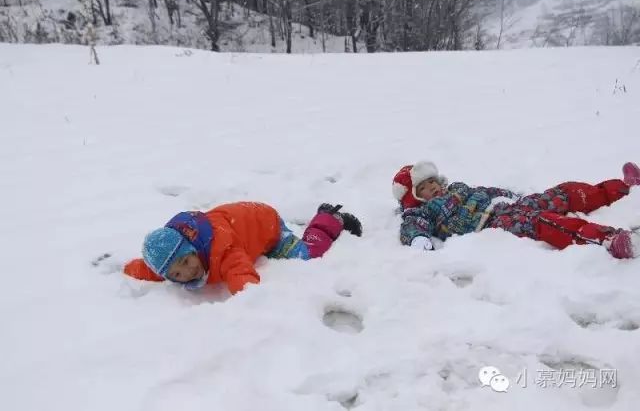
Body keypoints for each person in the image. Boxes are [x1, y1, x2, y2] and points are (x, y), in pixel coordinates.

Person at [392, 161, 640, 259]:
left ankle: (623, 187)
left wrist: (510, 194)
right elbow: (411, 226)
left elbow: (485, 191)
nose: (433, 188)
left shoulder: (457, 187)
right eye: (424, 187)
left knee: (561, 193)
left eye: (433, 181)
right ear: (414, 197)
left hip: (508, 206)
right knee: (546, 222)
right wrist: (418, 239)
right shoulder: (422, 212)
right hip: (494, 224)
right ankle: (610, 240)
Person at [123, 202, 362, 294]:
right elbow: (151, 268)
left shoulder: (221, 249)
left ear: (193, 248)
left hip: (267, 227)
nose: (187, 273)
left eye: (186, 262)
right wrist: (130, 269)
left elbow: (242, 276)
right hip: (243, 227)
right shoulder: (170, 261)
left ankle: (330, 218)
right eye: (176, 274)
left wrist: (250, 299)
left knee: (308, 254)